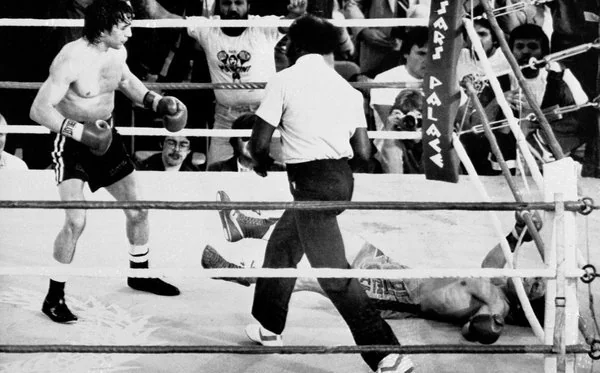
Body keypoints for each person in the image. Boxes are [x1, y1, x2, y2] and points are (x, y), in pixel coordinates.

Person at [243, 15, 412, 373]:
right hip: (341, 178)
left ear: (294, 47)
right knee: (283, 245)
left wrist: (260, 161)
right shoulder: (348, 90)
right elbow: (364, 155)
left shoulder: (284, 81)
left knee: (334, 276)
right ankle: (268, 325)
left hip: (311, 183)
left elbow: (258, 142)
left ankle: (387, 353)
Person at [202, 190, 547, 345]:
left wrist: (488, 328)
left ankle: (241, 271)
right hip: (397, 270)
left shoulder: (498, 305)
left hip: (397, 295)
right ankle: (247, 226)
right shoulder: (500, 283)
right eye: (536, 278)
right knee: (330, 231)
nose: (532, 278)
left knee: (313, 274)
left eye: (535, 286)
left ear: (529, 306)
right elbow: (491, 263)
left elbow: (474, 332)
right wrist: (517, 232)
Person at [29, 0, 187, 324]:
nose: (130, 32)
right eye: (124, 26)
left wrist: (158, 102)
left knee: (138, 210)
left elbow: (127, 82)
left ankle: (139, 273)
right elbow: (39, 110)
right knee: (76, 221)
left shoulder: (117, 53)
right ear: (104, 28)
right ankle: (54, 296)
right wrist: (79, 133)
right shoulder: (71, 58)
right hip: (71, 143)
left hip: (106, 137)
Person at [184, 0, 307, 171]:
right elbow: (168, 19)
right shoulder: (208, 28)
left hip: (266, 117)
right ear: (219, 7)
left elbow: (286, 25)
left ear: (249, 6)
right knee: (215, 176)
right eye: (227, 3)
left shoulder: (261, 26)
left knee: (282, 176)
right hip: (225, 117)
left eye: (239, 3)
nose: (233, 8)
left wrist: (295, 15)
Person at [474, 24, 589, 174]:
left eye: (533, 46)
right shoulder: (497, 81)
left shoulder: (562, 79)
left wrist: (539, 135)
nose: (526, 51)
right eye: (519, 47)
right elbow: (475, 125)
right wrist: (497, 102)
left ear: (544, 52)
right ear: (510, 52)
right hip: (507, 168)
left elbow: (583, 119)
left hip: (551, 161)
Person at [378, 89, 424, 174]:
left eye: (418, 115)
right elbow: (393, 173)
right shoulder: (394, 140)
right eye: (408, 117)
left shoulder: (432, 139)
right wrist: (389, 132)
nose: (413, 121)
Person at [137, 135, 201, 171]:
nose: (176, 149)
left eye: (183, 145)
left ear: (189, 150)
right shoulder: (142, 168)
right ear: (161, 144)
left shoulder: (195, 174)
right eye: (171, 143)